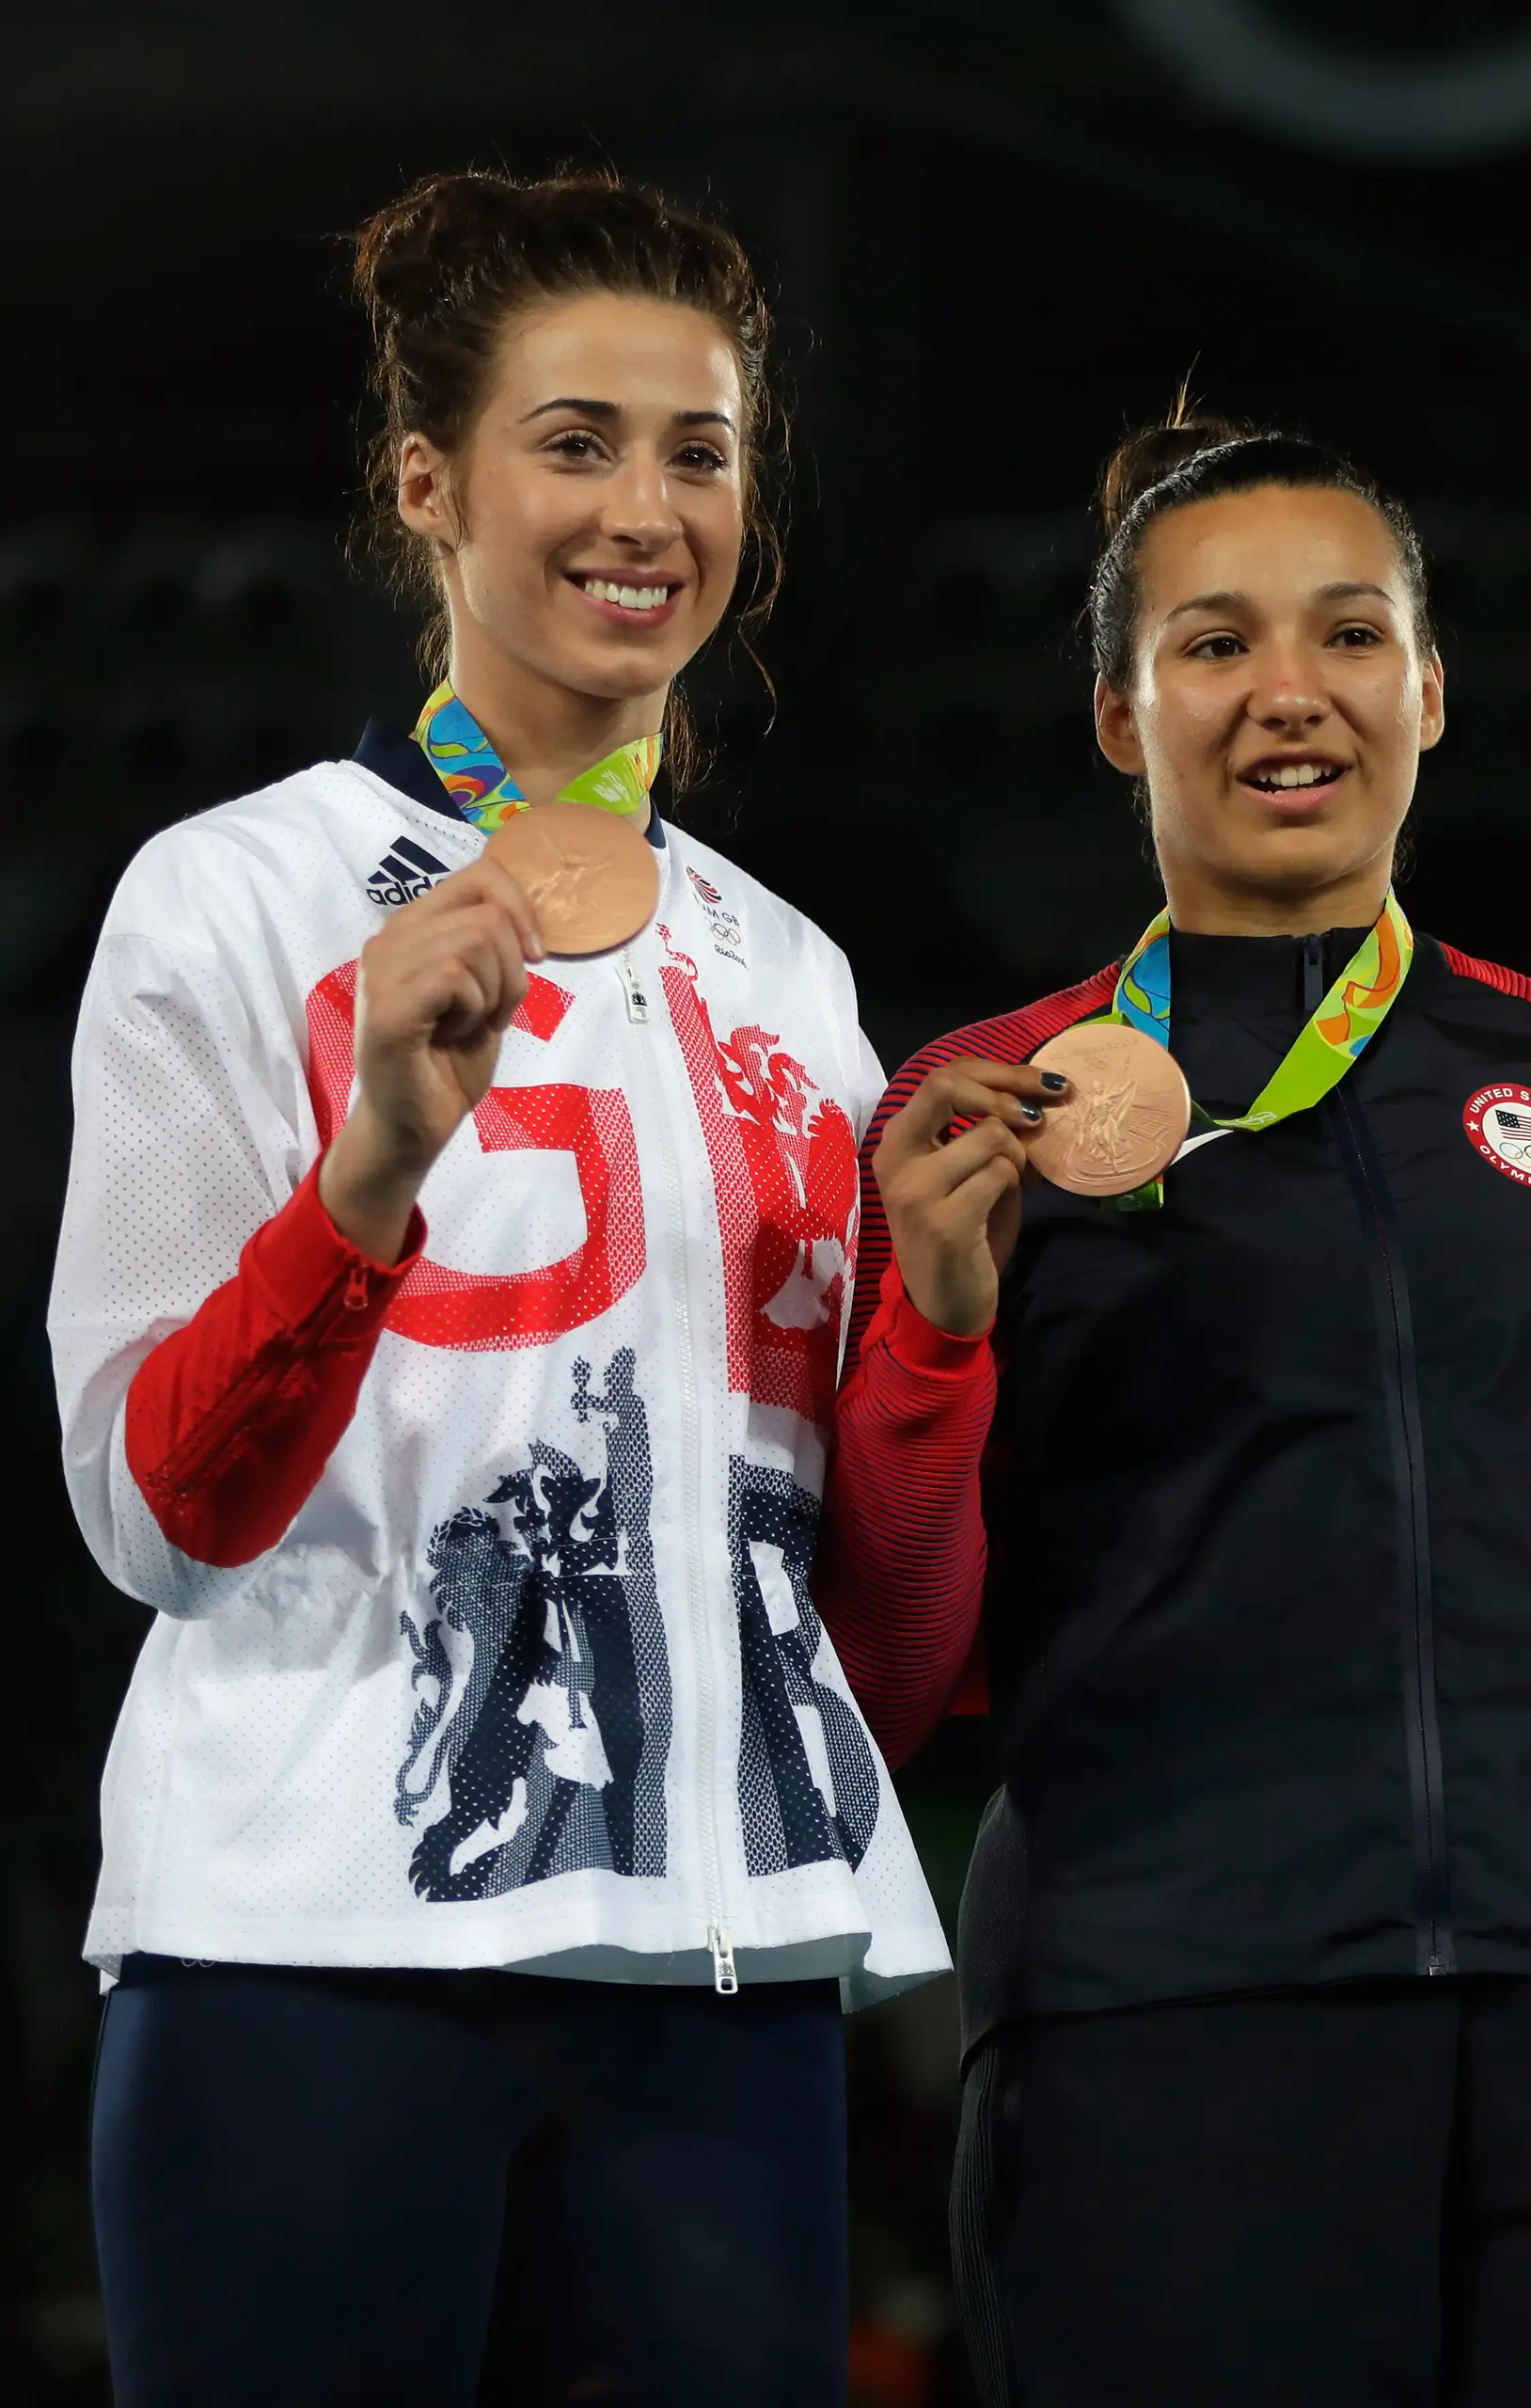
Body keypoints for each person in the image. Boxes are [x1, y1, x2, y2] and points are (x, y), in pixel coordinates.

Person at [816, 411, 1531, 2406]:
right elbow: (885, 1686)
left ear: (1429, 686)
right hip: (1162, 2020)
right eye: (1212, 643)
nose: (1288, 693)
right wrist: (934, 1330)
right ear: (1115, 710)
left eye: (1348, 634)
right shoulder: (981, 1111)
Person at [47, 169, 942, 2405]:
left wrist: (946, 1325)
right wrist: (370, 1169)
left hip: (718, 1973)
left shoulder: (796, 973)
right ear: (428, 483)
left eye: (700, 450)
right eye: (577, 440)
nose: (647, 507)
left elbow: (860, 1565)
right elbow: (152, 1515)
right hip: (311, 1955)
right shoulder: (232, 900)